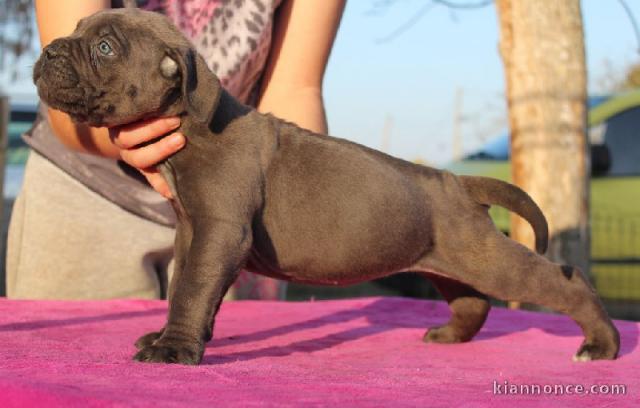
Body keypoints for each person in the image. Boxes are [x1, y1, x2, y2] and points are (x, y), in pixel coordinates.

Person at [6, 0, 346, 299]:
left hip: (223, 201)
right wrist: (144, 145)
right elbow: (67, 75)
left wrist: (291, 202)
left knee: (230, 364)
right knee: (72, 365)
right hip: (86, 189)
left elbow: (295, 89)